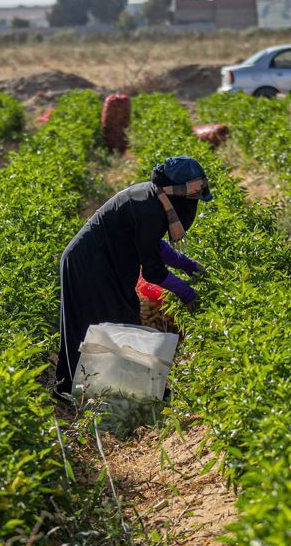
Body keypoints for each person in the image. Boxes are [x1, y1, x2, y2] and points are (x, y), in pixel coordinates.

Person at [55, 156, 212, 397]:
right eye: (192, 199)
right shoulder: (150, 208)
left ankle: (113, 390)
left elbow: (150, 243)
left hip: (102, 261)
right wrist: (187, 293)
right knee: (111, 325)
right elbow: (152, 270)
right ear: (178, 194)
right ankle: (83, 391)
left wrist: (185, 264)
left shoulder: (154, 196)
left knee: (116, 322)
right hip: (89, 263)